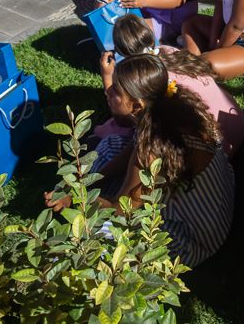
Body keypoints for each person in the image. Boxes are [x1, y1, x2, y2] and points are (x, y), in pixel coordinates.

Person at [82, 55, 232, 267]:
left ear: (136, 106)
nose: (108, 91)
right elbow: (130, 151)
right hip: (216, 212)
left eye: (116, 89)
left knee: (102, 229)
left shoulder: (151, 149)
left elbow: (121, 211)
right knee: (112, 144)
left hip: (192, 240)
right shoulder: (168, 110)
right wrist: (91, 182)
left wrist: (79, 199)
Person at [93, 14, 244, 162]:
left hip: (213, 152)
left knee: (121, 131)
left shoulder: (143, 79)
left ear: (120, 51)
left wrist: (107, 76)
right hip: (235, 125)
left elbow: (124, 117)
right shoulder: (167, 50)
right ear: (150, 36)